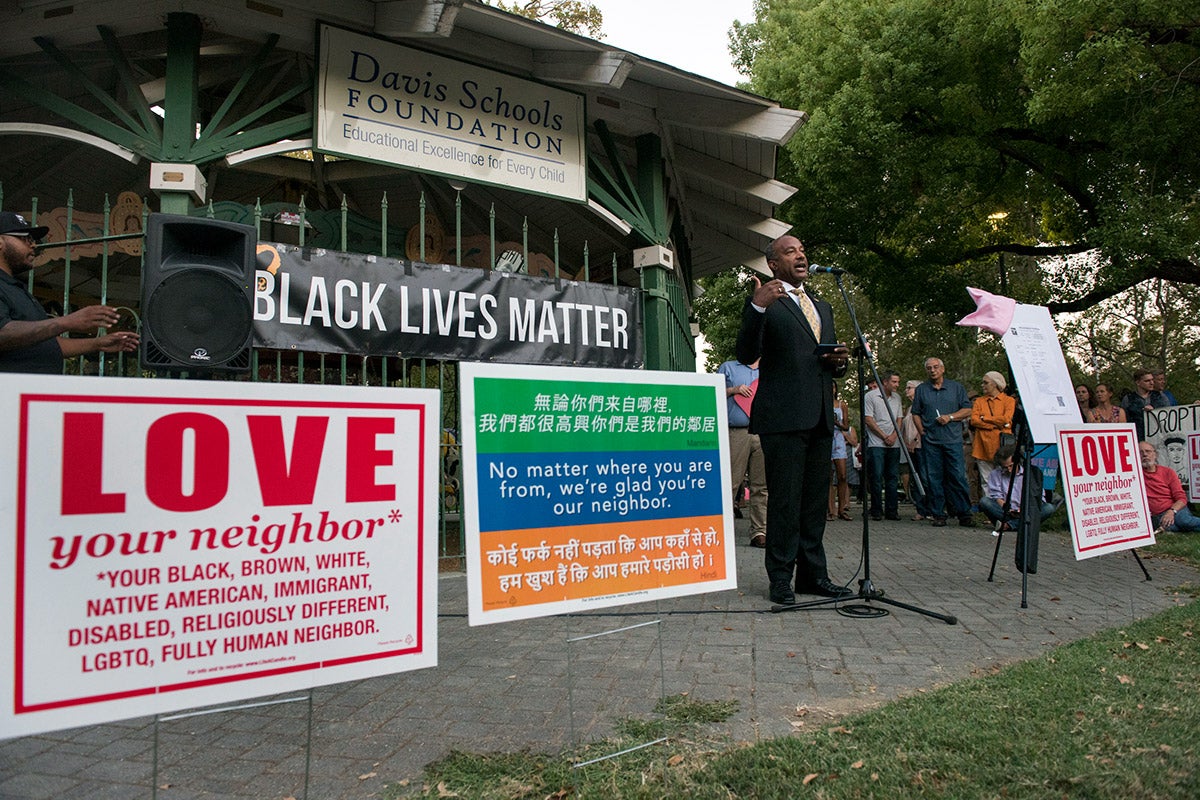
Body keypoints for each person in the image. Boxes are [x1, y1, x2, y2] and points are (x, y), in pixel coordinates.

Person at [736, 234, 852, 604]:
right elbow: (745, 352)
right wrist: (756, 306)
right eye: (790, 251)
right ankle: (781, 580)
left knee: (814, 503)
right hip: (783, 419)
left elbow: (830, 365)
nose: (800, 255)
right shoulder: (768, 302)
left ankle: (813, 577)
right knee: (785, 502)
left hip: (820, 417)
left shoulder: (823, 306)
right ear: (773, 264)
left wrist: (841, 363)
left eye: (803, 250)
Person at [0, 212, 138, 372]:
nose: (33, 245)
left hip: (31, 392)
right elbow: (3, 333)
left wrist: (98, 343)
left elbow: (47, 345)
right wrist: (67, 322)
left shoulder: (15, 288)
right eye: (25, 238)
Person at [910, 357, 975, 527]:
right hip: (931, 441)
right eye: (929, 368)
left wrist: (951, 417)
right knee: (934, 478)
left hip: (953, 440)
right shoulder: (922, 390)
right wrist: (921, 430)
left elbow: (968, 409)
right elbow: (915, 412)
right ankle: (938, 513)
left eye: (936, 367)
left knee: (957, 476)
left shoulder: (956, 388)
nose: (933, 370)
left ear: (943, 369)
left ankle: (964, 513)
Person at [718, 357, 767, 548]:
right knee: (730, 482)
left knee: (761, 486)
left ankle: (760, 531)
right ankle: (723, 529)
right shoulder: (728, 368)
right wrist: (733, 390)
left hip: (763, 432)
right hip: (736, 432)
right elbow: (712, 393)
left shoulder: (770, 367)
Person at [979, 444, 1056, 530]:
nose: (1009, 470)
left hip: (1026, 512)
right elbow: (997, 497)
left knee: (1048, 508)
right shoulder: (996, 474)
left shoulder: (1029, 474)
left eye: (1011, 466)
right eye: (1005, 467)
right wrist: (1007, 509)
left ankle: (1008, 526)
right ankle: (1017, 525)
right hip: (1006, 512)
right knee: (985, 502)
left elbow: (1039, 498)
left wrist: (1022, 510)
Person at [863, 370, 902, 521]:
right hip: (876, 443)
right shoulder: (871, 396)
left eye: (898, 382)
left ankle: (892, 510)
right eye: (894, 382)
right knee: (876, 477)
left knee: (892, 477)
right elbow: (868, 419)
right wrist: (884, 436)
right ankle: (876, 510)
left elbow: (899, 419)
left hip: (894, 442)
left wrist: (893, 436)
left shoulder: (897, 398)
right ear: (885, 382)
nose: (897, 385)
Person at [1139, 441, 1200, 533]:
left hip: (1175, 509)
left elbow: (1181, 498)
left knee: (1184, 521)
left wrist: (1171, 511)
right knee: (1173, 527)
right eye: (1141, 452)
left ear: (1155, 454)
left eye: (1148, 451)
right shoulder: (1135, 475)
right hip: (1157, 515)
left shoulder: (1168, 472)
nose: (1145, 455)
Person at [970, 371, 1016, 489]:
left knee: (1005, 480)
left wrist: (984, 418)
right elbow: (974, 421)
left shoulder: (1009, 401)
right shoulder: (979, 401)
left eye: (985, 383)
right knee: (986, 481)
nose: (982, 385)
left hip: (1002, 447)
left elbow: (1006, 419)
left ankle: (1006, 505)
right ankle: (990, 506)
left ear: (995, 384)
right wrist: (994, 425)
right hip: (982, 447)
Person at [900, 379, 932, 521]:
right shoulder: (909, 408)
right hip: (910, 449)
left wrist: (915, 441)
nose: (906, 390)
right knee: (915, 478)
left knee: (925, 477)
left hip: (921, 446)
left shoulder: (924, 406)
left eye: (910, 388)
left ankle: (930, 508)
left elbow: (924, 426)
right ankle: (920, 509)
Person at [1121, 368, 1170, 440]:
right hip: (1137, 438)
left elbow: (1169, 416)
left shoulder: (1161, 396)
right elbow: (1124, 421)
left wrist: (1155, 411)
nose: (1152, 383)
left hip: (1158, 438)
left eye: (1152, 380)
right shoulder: (1128, 398)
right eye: (1147, 381)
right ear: (1138, 382)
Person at [828, 381, 853, 521]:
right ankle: (831, 510)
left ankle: (843, 508)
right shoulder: (821, 402)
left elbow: (846, 426)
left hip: (838, 439)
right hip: (826, 439)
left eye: (833, 387)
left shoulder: (841, 404)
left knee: (842, 475)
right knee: (828, 477)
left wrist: (837, 422)